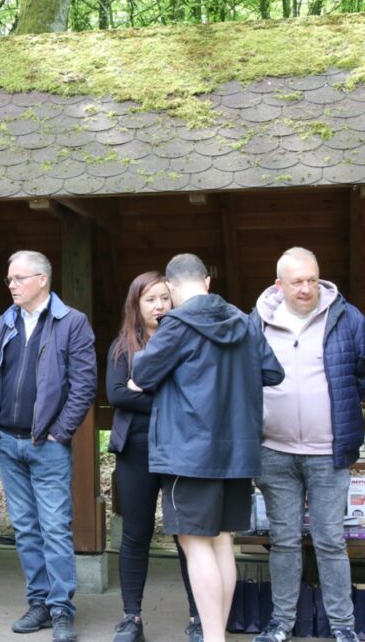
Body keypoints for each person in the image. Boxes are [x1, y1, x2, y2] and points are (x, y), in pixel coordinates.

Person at [130, 253, 284, 642]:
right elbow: (272, 371)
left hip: (189, 452)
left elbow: (143, 372)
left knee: (195, 544)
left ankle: (214, 638)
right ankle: (218, 636)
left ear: (172, 286)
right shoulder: (244, 321)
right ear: (207, 282)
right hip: (238, 451)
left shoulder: (178, 323)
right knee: (222, 542)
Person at [0, 250, 96, 642]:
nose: (12, 285)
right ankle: (38, 603)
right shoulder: (3, 323)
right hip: (9, 443)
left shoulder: (72, 323)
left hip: (46, 444)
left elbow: (84, 386)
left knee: (54, 528)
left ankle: (62, 608)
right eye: (9, 280)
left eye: (18, 278)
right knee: (26, 529)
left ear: (42, 280)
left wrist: (59, 432)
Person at [249, 247, 365, 642]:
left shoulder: (348, 318)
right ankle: (281, 624)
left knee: (330, 540)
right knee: (283, 541)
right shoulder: (258, 322)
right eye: (297, 281)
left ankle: (343, 627)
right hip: (273, 450)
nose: (306, 288)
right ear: (279, 284)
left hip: (328, 452)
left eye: (312, 279)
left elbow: (363, 375)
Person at [105, 272, 199, 642]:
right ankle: (132, 618)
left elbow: (195, 394)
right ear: (136, 305)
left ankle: (198, 617)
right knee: (136, 533)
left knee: (188, 536)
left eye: (164, 298)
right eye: (150, 300)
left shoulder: (187, 339)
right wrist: (168, 400)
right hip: (137, 449)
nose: (159, 306)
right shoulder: (123, 345)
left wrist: (144, 389)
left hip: (181, 449)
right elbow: (117, 395)